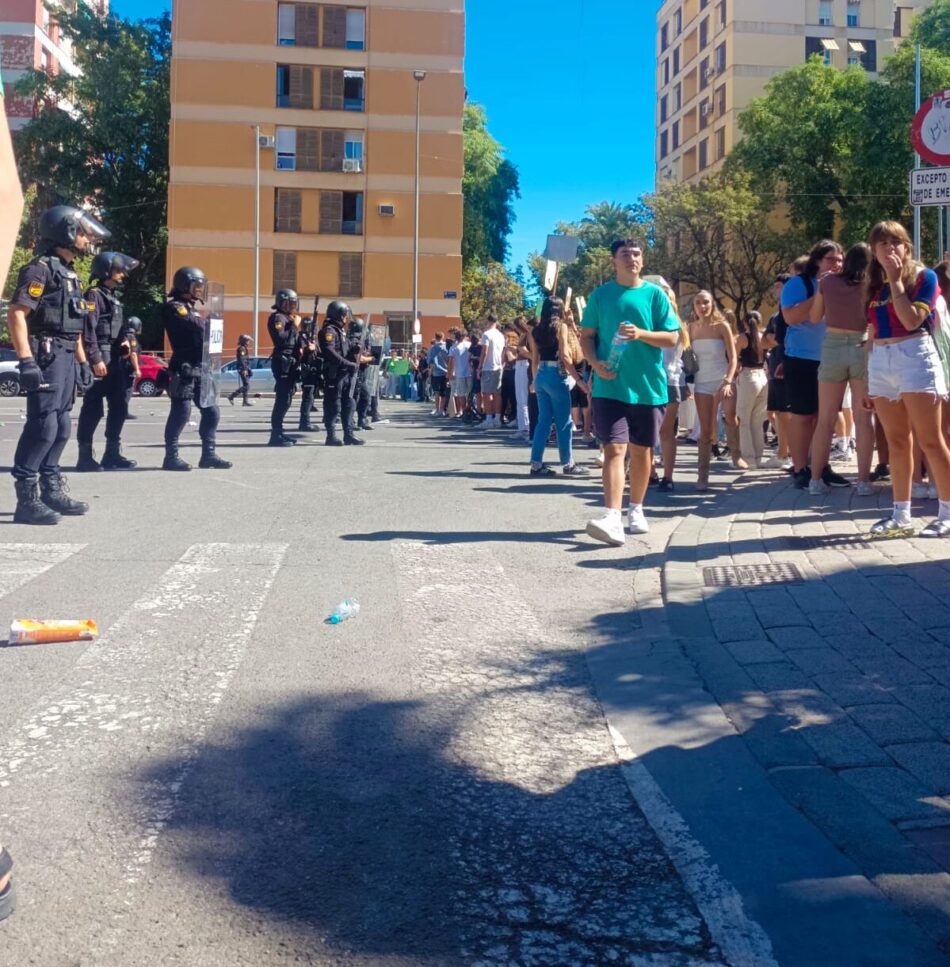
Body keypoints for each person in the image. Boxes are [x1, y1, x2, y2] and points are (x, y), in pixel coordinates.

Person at [8, 205, 110, 524]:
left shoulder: (70, 274)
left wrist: (82, 362)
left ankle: (51, 489)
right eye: (80, 232)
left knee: (62, 425)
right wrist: (26, 359)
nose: (84, 238)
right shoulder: (39, 269)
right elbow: (17, 314)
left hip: (66, 352)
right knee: (44, 425)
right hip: (47, 352)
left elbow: (74, 325)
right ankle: (27, 498)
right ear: (63, 232)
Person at [581, 238, 680, 545]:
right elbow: (586, 337)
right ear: (614, 261)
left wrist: (641, 334)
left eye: (636, 254)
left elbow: (672, 337)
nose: (632, 259)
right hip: (609, 386)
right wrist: (595, 364)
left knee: (642, 451)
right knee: (614, 449)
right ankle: (612, 516)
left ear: (642, 260)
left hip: (648, 387)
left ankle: (636, 509)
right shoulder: (601, 295)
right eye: (625, 254)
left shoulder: (655, 296)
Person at [865, 221, 950, 537]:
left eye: (895, 242)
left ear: (907, 246)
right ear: (873, 251)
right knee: (897, 441)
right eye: (882, 244)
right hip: (881, 361)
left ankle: (947, 511)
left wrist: (897, 281)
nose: (889, 249)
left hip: (915, 356)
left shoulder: (924, 278)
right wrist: (866, 376)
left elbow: (912, 320)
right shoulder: (874, 286)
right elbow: (871, 331)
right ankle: (901, 514)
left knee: (930, 439)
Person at [780, 240, 849, 490]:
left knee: (826, 417)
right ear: (817, 260)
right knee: (803, 415)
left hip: (832, 357)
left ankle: (821, 465)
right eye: (831, 259)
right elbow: (791, 317)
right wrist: (819, 290)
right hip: (801, 359)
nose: (837, 264)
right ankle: (800, 468)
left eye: (840, 260)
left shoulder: (843, 285)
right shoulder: (798, 284)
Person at [807, 242, 874, 496]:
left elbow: (814, 318)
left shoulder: (828, 282)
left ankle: (815, 480)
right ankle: (864, 481)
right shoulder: (872, 286)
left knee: (825, 418)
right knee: (862, 417)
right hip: (862, 345)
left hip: (833, 346)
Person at [75, 250, 141, 472]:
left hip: (116, 358)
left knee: (120, 406)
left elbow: (119, 329)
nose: (122, 274)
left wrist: (125, 342)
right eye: (118, 270)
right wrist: (94, 358)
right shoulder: (93, 295)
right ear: (106, 270)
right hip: (101, 356)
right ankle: (84, 457)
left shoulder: (113, 297)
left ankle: (111, 454)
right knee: (93, 408)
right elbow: (88, 330)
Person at [161, 266, 232, 471]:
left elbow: (205, 331)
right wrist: (208, 322)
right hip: (183, 367)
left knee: (211, 411)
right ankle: (171, 456)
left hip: (201, 366)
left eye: (201, 287)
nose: (200, 290)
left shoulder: (192, 309)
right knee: (181, 412)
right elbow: (200, 328)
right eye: (197, 286)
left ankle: (208, 454)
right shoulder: (174, 307)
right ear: (184, 285)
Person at [526, 298, 590, 478]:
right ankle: (568, 463)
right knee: (564, 422)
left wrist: (534, 380)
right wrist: (578, 380)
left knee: (543, 421)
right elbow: (565, 356)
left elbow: (535, 358)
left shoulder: (536, 329)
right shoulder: (560, 327)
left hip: (541, 376)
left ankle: (536, 463)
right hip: (556, 375)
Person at [688, 290, 738, 489]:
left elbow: (733, 358)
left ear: (712, 304)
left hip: (722, 378)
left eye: (706, 302)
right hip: (702, 381)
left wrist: (728, 380)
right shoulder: (690, 328)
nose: (702, 306)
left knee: (730, 415)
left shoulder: (722, 326)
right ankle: (703, 475)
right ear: (694, 306)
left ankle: (736, 453)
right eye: (698, 302)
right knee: (706, 429)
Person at [644, 275, 688, 491]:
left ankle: (657, 474)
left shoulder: (662, 324)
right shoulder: (678, 324)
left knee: (656, 431)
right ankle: (663, 476)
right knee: (663, 432)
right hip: (670, 380)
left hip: (661, 380)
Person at [762, 272, 793, 470]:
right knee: (780, 413)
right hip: (775, 368)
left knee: (788, 414)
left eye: (779, 286)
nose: (776, 290)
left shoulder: (791, 312)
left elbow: (787, 338)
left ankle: (787, 454)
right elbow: (763, 341)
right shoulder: (775, 315)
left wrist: (775, 338)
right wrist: (775, 338)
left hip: (788, 367)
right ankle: (782, 452)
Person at [320, 300, 363, 446]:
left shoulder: (341, 331)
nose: (346, 318)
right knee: (333, 405)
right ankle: (331, 435)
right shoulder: (329, 331)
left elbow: (345, 349)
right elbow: (330, 352)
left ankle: (349, 434)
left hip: (345, 374)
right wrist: (348, 363)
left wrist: (355, 348)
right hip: (334, 373)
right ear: (338, 315)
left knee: (349, 403)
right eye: (344, 315)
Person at [734, 311, 770, 468]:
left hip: (748, 377)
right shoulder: (764, 337)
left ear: (745, 322)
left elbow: (734, 359)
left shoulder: (742, 338)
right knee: (757, 421)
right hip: (763, 377)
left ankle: (748, 458)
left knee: (743, 420)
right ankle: (758, 457)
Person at [268, 288, 301, 447]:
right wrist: (294, 326)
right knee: (282, 399)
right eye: (290, 304)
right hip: (283, 361)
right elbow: (281, 340)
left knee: (287, 398)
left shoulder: (288, 318)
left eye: (294, 303)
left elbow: (294, 340)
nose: (292, 307)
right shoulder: (278, 318)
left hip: (291, 360)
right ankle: (275, 435)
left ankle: (280, 432)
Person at [478, 315, 506, 427]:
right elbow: (504, 351)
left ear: (488, 321)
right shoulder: (501, 335)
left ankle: (489, 419)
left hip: (488, 366)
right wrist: (502, 363)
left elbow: (484, 352)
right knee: (497, 394)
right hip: (499, 367)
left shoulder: (486, 334)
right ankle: (497, 418)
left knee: (486, 393)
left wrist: (479, 367)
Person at [447, 327, 472, 418]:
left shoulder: (453, 348)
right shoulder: (469, 345)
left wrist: (449, 373)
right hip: (470, 372)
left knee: (461, 393)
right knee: (470, 392)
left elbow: (451, 361)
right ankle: (470, 409)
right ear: (465, 336)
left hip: (459, 373)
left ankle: (463, 410)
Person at [427, 332, 450, 416]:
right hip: (445, 372)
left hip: (436, 372)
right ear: (443, 337)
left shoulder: (433, 348)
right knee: (443, 392)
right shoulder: (446, 347)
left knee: (436, 392)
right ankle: (442, 409)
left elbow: (429, 361)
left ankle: (437, 409)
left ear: (435, 337)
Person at [227, 334, 254, 406]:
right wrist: (244, 369)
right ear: (244, 341)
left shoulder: (244, 348)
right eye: (247, 341)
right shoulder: (242, 349)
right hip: (242, 368)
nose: (249, 342)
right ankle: (232, 396)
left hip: (244, 368)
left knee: (246, 385)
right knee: (247, 386)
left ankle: (245, 401)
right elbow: (242, 359)